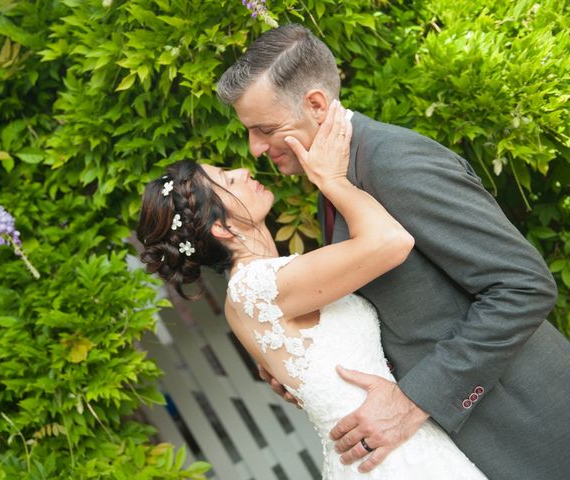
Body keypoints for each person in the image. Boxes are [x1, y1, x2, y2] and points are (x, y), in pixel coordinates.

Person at [215, 23, 570, 480]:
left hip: (529, 430)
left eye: (265, 129)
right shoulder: (336, 173)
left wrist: (414, 400)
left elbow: (523, 287)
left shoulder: (392, 161)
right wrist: (311, 367)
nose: (255, 148)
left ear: (317, 105)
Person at [137, 100, 488, 479]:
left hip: (387, 446)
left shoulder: (250, 292)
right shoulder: (260, 286)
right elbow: (391, 241)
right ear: (222, 229)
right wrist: (332, 180)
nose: (242, 169)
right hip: (395, 460)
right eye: (227, 180)